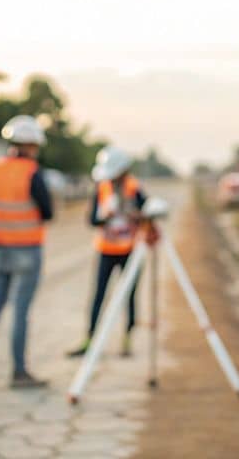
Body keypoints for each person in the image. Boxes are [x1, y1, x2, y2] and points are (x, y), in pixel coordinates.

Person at [0, 115, 53, 389]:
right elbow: (48, 211)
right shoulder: (31, 172)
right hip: (27, 249)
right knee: (20, 311)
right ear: (29, 145)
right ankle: (18, 372)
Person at [67, 145, 153, 358]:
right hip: (106, 249)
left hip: (130, 250)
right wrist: (105, 217)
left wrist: (136, 215)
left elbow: (149, 215)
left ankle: (127, 339)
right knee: (99, 295)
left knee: (129, 296)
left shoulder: (134, 188)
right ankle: (90, 339)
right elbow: (92, 220)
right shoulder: (102, 188)